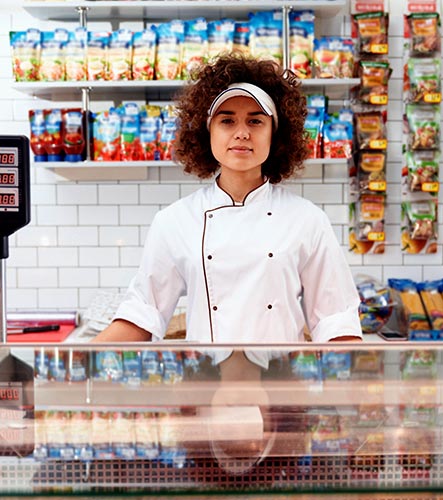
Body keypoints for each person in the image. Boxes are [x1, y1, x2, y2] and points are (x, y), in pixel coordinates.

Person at [92, 54, 362, 346]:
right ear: (207, 131)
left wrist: (355, 383)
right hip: (209, 382)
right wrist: (77, 360)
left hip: (281, 382)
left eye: (256, 121)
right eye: (227, 120)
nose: (242, 133)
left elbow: (336, 320)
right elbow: (143, 313)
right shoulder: (175, 220)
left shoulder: (307, 220)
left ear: (276, 133)